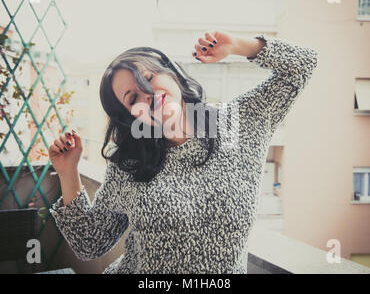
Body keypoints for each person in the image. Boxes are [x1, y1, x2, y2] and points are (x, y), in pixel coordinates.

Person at [48, 31, 318, 273]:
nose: (147, 95)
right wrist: (67, 171)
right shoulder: (130, 164)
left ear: (172, 72)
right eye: (133, 98)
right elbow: (89, 243)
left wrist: (237, 45)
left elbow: (303, 64)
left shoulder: (238, 123)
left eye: (149, 78)